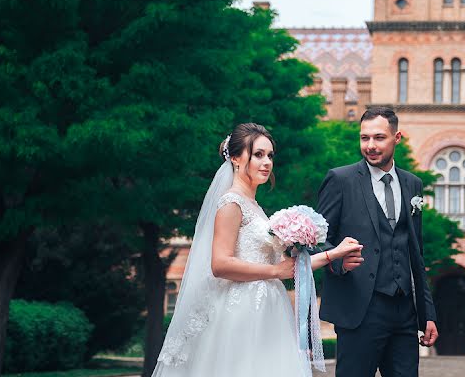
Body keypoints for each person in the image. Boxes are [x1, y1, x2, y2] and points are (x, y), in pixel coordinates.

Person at [154, 122, 361, 377]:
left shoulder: (254, 206)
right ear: (236, 159)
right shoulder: (231, 203)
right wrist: (275, 271)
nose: (266, 162)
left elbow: (290, 268)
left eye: (270, 155)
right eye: (258, 154)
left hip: (270, 307)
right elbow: (219, 264)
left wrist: (334, 253)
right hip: (241, 310)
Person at [317, 107, 439, 377]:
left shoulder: (413, 184)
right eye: (364, 138)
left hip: (405, 310)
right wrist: (338, 261)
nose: (370, 146)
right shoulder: (341, 180)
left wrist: (427, 313)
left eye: (379, 138)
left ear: (397, 138)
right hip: (360, 308)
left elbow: (416, 253)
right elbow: (317, 239)